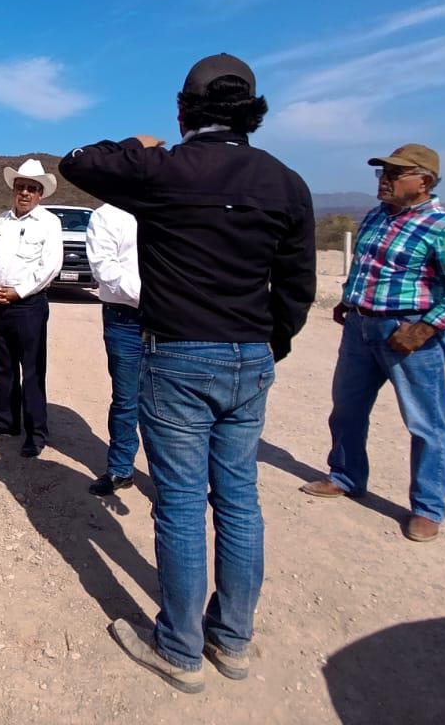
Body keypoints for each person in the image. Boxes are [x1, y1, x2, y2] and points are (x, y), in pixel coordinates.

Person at [60, 53, 315, 694]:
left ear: (184, 109)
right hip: (249, 357)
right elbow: (296, 287)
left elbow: (78, 161)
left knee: (178, 505)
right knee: (238, 501)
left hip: (176, 355)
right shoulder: (287, 183)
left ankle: (179, 647)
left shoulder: (163, 169)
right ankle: (231, 640)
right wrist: (268, 345)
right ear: (251, 110)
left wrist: (140, 143)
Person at [301, 144, 445, 543]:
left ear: (424, 181)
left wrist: (427, 327)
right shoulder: (377, 217)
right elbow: (370, 267)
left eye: (395, 173)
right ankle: (346, 477)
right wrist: (348, 300)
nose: (384, 180)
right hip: (361, 328)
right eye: (382, 172)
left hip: (408, 335)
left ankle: (427, 508)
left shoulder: (443, 226)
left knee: (425, 424)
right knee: (346, 410)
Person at [0, 159, 63, 458]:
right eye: (20, 187)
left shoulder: (49, 223)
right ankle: (6, 421)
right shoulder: (0, 221)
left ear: (40, 194)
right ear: (13, 189)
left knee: (33, 370)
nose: (24, 192)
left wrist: (18, 292)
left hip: (29, 306)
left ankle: (36, 433)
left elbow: (50, 267)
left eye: (31, 188)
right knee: (4, 367)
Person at [84, 202, 143, 497]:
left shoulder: (169, 202)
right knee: (125, 398)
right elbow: (105, 269)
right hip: (125, 318)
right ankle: (121, 468)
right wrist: (156, 294)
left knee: (170, 403)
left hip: (171, 317)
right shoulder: (107, 214)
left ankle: (170, 479)